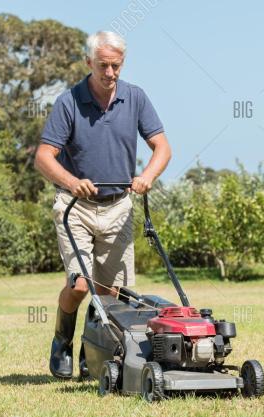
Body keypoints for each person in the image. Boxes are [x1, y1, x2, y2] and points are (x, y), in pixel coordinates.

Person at [34, 31, 171, 379]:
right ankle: (61, 342)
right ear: (88, 63)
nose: (110, 73)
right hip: (75, 206)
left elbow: (162, 148)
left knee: (111, 295)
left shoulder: (135, 98)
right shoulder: (69, 102)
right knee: (81, 284)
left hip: (118, 206)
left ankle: (90, 351)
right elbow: (43, 157)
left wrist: (147, 177)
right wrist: (71, 182)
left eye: (116, 66)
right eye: (103, 66)